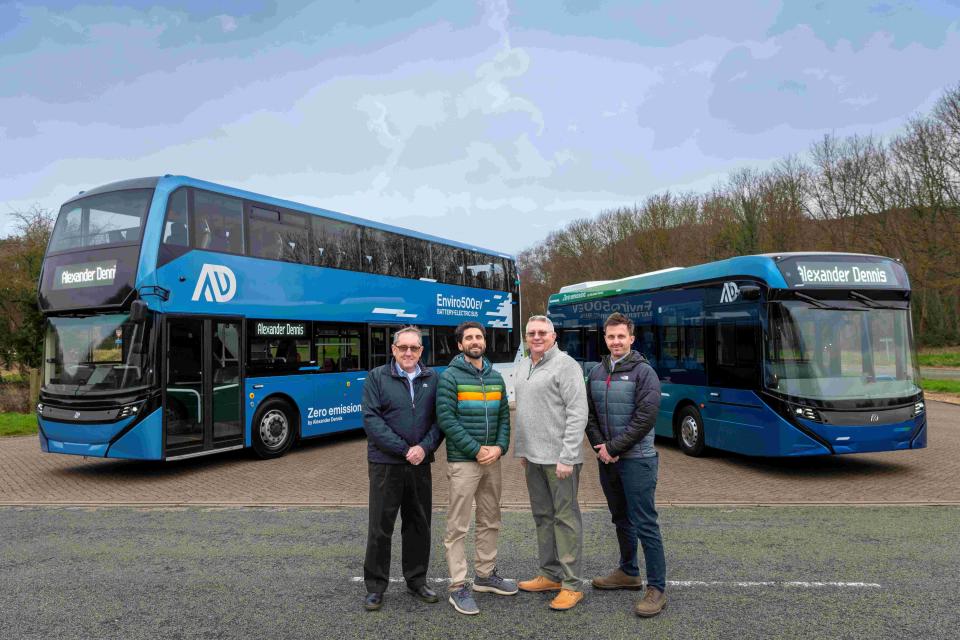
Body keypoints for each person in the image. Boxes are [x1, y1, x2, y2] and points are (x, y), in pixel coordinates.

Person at [586, 312, 667, 617]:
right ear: (605, 339)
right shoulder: (595, 372)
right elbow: (589, 415)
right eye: (611, 337)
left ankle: (657, 587)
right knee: (620, 518)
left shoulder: (645, 373)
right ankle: (629, 571)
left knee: (645, 523)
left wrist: (615, 447)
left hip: (638, 460)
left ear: (632, 338)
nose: (616, 341)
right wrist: (602, 447)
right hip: (608, 459)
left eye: (621, 336)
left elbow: (645, 418)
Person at [436, 321, 517, 615]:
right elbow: (446, 419)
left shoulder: (496, 378)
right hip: (463, 461)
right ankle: (458, 586)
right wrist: (476, 449)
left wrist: (499, 448)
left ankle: (485, 575)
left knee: (490, 518)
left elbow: (504, 420)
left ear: (485, 342)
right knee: (458, 525)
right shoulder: (449, 378)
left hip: (491, 461)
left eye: (479, 336)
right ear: (459, 345)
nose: (474, 341)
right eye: (468, 337)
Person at [361, 326, 444, 611]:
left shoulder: (433, 378)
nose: (408, 353)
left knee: (419, 524)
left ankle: (417, 580)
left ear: (422, 351)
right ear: (394, 350)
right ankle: (375, 587)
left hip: (420, 463)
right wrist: (404, 449)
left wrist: (424, 448)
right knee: (380, 528)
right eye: (403, 347)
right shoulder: (376, 377)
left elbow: (439, 420)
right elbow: (372, 420)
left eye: (414, 348)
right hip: (386, 465)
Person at [513, 315, 589, 611]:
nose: (536, 337)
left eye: (542, 332)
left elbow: (577, 412)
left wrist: (568, 456)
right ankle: (549, 574)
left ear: (554, 336)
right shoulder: (523, 366)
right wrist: (522, 450)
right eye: (531, 332)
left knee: (565, 519)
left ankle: (571, 585)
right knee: (543, 518)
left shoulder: (566, 365)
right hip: (533, 459)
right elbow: (524, 412)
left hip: (560, 461)